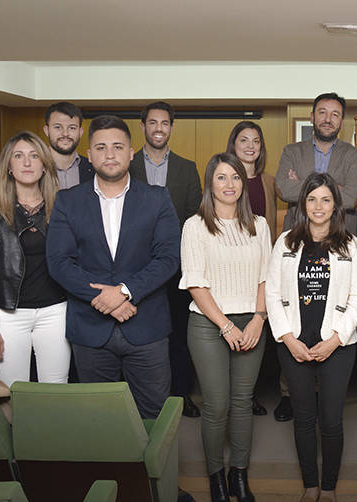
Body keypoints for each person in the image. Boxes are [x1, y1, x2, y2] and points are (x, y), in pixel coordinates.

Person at [46, 115, 180, 420]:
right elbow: (59, 262)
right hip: (90, 330)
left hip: (147, 327)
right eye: (101, 147)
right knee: (98, 418)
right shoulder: (67, 201)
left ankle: (152, 471)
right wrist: (105, 300)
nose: (110, 154)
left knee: (153, 416)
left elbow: (169, 258)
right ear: (89, 155)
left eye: (118, 147)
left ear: (130, 153)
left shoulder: (157, 199)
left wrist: (124, 292)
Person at [265, 173, 357, 502]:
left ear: (336, 204)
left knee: (331, 420)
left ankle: (329, 486)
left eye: (326, 199)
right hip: (294, 345)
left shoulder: (350, 243)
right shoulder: (286, 242)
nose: (319, 206)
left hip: (337, 346)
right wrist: (288, 339)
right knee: (304, 418)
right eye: (312, 199)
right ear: (302, 204)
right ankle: (310, 484)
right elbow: (273, 292)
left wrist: (336, 339)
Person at [180, 153, 271, 502]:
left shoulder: (259, 225)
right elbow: (196, 284)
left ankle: (239, 475)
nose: (230, 184)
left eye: (235, 177)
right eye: (221, 177)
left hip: (252, 321)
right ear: (210, 184)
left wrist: (259, 319)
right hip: (207, 324)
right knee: (216, 404)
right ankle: (216, 476)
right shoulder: (195, 226)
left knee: (242, 401)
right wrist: (226, 327)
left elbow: (267, 277)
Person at [0, 131, 69, 387]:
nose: (27, 163)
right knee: (13, 392)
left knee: (55, 389)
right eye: (19, 156)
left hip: (56, 311)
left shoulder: (63, 207)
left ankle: (49, 430)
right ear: (9, 167)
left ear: (45, 166)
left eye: (34, 156)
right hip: (8, 315)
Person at [129, 101, 203, 418]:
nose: (159, 128)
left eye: (165, 123)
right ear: (143, 126)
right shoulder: (127, 165)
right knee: (140, 334)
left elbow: (194, 219)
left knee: (178, 333)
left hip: (177, 267)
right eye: (153, 123)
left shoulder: (187, 168)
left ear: (171, 127)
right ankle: (139, 398)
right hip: (135, 268)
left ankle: (180, 394)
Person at [226, 120, 277, 418]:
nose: (249, 146)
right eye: (243, 140)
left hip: (260, 267)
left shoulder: (269, 181)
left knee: (257, 329)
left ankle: (250, 394)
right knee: (233, 327)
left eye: (255, 141)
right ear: (233, 144)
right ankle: (235, 396)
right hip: (230, 269)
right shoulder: (224, 179)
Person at [275, 92, 357, 234]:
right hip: (298, 233)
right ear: (312, 117)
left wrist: (302, 183)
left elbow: (351, 198)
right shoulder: (292, 151)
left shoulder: (354, 155)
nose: (328, 119)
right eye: (322, 112)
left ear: (341, 122)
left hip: (340, 234)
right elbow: (283, 189)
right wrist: (337, 187)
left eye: (335, 114)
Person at [42, 102, 94, 189]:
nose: (65, 133)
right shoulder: (35, 166)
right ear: (46, 130)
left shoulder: (93, 169)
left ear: (80, 132)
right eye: (58, 127)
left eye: (72, 128)